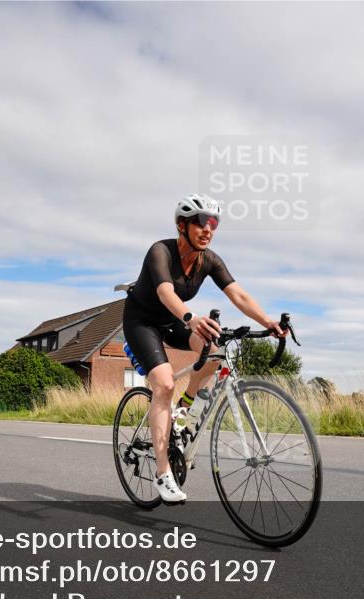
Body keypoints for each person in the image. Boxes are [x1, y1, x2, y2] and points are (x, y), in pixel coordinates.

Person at [122, 194, 286, 503]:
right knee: (164, 384)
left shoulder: (209, 259)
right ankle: (163, 472)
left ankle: (183, 410)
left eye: (213, 223)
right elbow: (164, 291)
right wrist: (190, 316)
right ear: (181, 225)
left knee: (215, 352)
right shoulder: (161, 251)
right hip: (142, 321)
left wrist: (268, 321)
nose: (208, 229)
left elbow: (238, 295)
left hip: (174, 320)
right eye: (200, 222)